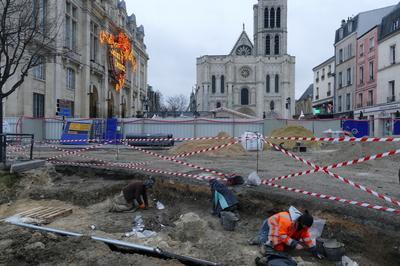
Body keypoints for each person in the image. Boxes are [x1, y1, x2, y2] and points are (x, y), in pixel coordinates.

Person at [249, 207, 320, 257]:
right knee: (275, 246)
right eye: (306, 226)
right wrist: (294, 244)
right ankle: (259, 239)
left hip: (281, 229)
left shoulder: (303, 225)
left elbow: (306, 236)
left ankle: (264, 239)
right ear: (302, 223)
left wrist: (313, 249)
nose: (306, 228)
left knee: (283, 247)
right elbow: (282, 235)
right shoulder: (288, 221)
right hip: (271, 225)